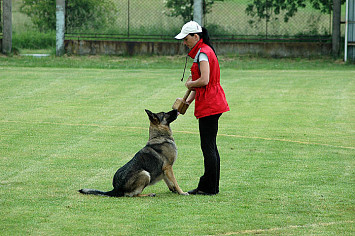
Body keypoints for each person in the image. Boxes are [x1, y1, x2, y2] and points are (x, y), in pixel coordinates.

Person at [175, 21, 229, 195]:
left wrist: (190, 83)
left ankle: (209, 187)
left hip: (210, 104)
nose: (184, 42)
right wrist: (188, 102)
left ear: (195, 36)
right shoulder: (203, 51)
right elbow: (200, 86)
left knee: (208, 147)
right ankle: (210, 185)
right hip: (211, 101)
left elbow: (204, 81)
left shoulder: (203, 53)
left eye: (186, 38)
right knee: (210, 146)